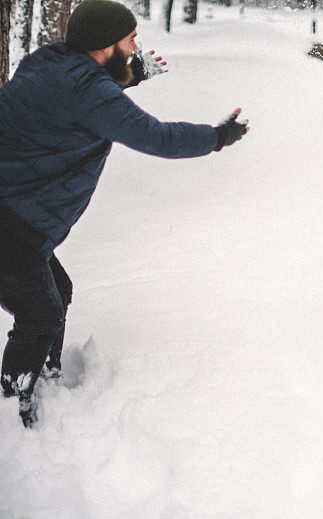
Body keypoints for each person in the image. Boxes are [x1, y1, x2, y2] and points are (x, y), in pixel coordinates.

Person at [0, 0, 249, 427]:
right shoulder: (91, 93)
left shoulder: (46, 61)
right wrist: (219, 136)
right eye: (130, 38)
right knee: (43, 312)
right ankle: (10, 404)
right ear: (104, 45)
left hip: (18, 217)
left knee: (56, 294)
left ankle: (43, 374)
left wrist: (129, 80)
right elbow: (159, 138)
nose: (136, 46)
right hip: (14, 224)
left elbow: (78, 99)